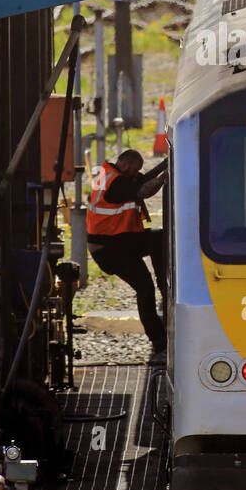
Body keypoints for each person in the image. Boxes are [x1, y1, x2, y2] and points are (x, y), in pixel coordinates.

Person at [87, 148, 168, 354]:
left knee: (158, 238)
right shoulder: (116, 183)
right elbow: (144, 190)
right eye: (134, 170)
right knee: (145, 287)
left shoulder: (117, 175)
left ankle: (164, 288)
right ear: (124, 164)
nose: (135, 174)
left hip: (120, 242)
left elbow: (143, 178)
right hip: (110, 249)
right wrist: (164, 179)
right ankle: (158, 338)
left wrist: (168, 162)